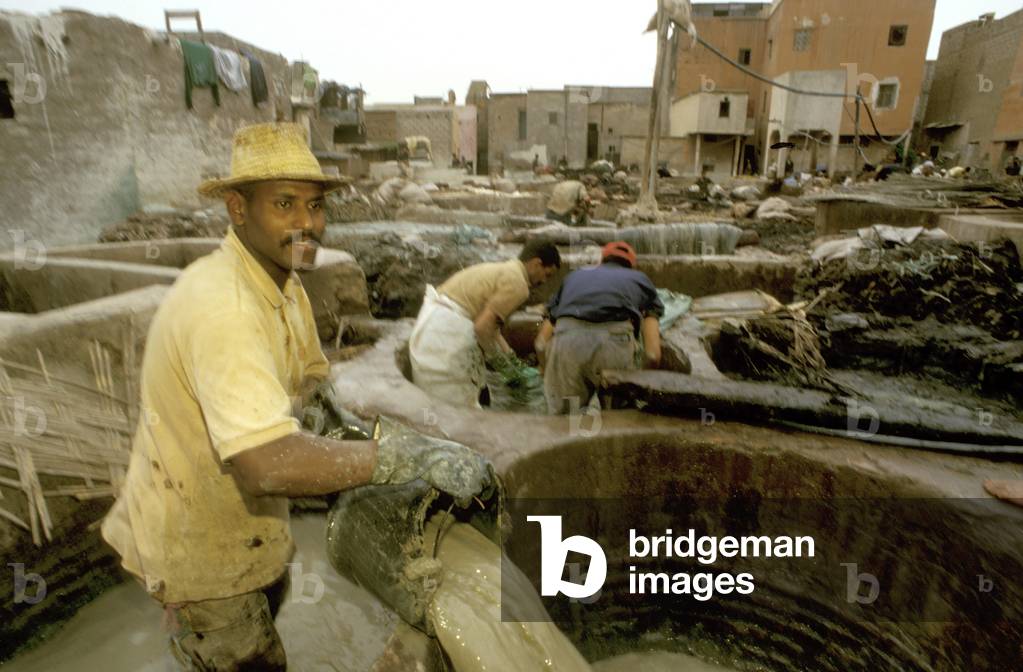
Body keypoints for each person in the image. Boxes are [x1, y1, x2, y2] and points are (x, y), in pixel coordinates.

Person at [101, 123, 493, 670]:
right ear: (237, 208)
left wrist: (369, 439)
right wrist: (403, 457)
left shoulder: (283, 284)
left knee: (264, 613)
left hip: (247, 527)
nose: (307, 223)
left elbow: (311, 392)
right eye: (284, 204)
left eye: (314, 205)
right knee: (247, 657)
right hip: (196, 547)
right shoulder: (224, 310)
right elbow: (263, 464)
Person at [409, 240, 561, 408]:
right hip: (447, 336)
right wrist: (506, 369)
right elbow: (482, 329)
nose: (544, 281)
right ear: (536, 264)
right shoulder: (518, 285)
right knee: (456, 412)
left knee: (439, 405)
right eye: (547, 275)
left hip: (432, 326)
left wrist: (512, 360)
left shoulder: (505, 270)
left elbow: (492, 329)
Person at [535, 241, 664, 415]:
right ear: (632, 267)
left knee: (563, 423)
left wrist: (545, 369)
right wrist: (640, 385)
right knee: (617, 421)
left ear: (601, 261)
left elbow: (540, 344)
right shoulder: (641, 280)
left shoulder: (574, 277)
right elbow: (653, 355)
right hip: (614, 345)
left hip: (568, 343)